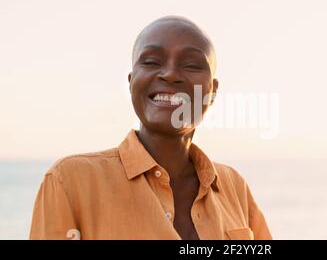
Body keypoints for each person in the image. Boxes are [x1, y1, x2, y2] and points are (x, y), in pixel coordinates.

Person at [30, 16, 272, 240]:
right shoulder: (70, 180)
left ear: (213, 91)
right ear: (131, 81)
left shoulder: (234, 186)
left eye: (191, 64)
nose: (170, 74)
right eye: (151, 61)